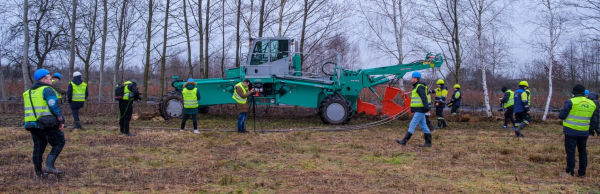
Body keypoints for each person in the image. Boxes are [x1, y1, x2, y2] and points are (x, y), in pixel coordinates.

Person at [23, 69, 66, 178]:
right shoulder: (47, 90)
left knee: (38, 148)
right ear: (43, 79)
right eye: (49, 78)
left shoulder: (27, 92)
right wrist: (61, 120)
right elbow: (54, 106)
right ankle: (49, 166)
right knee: (59, 142)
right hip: (47, 123)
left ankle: (39, 173)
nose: (51, 80)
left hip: (32, 124)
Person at [558, 85, 597, 177]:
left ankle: (569, 172)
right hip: (584, 132)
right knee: (583, 152)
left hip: (570, 131)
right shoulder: (592, 104)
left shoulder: (570, 102)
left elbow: (561, 116)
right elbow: (594, 120)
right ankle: (582, 172)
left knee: (571, 152)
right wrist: (590, 131)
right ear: (584, 93)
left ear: (573, 93)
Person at [396, 72, 432, 147]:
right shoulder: (417, 86)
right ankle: (428, 143)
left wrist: (426, 108)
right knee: (423, 126)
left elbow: (424, 98)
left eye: (412, 78)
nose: (411, 79)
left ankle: (404, 141)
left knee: (412, 124)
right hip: (419, 109)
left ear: (416, 79)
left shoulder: (419, 87)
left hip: (420, 109)